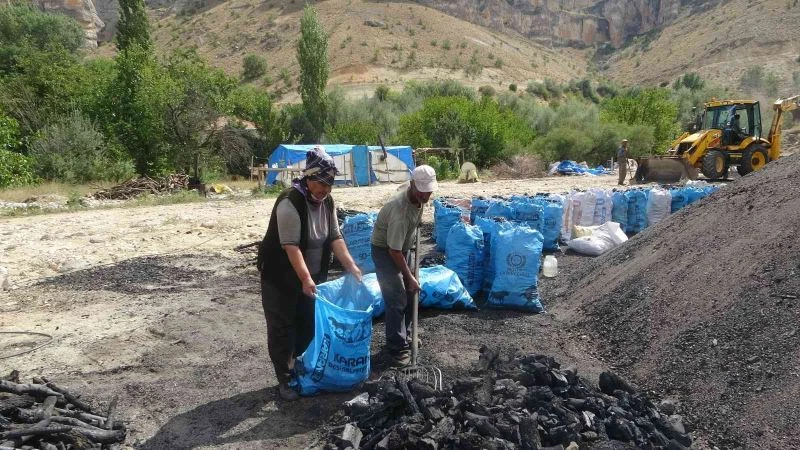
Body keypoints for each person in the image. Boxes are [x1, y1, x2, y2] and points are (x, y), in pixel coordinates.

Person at [257, 146, 362, 401]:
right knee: (283, 327)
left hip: (311, 276)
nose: (325, 190)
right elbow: (291, 246)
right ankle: (284, 377)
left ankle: (300, 366)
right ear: (309, 177)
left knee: (307, 323)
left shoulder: (327, 202)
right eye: (321, 183)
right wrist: (305, 278)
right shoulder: (289, 202)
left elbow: (335, 237)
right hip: (280, 276)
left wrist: (351, 266)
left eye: (330, 184)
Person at [371, 165, 438, 367]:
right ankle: (396, 348)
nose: (426, 195)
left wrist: (410, 277)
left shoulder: (417, 196)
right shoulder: (399, 211)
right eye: (422, 191)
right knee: (397, 297)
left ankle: (405, 336)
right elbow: (393, 251)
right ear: (412, 185)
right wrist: (408, 276)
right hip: (385, 250)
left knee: (411, 294)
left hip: (402, 247)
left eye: (429, 191)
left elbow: (402, 245)